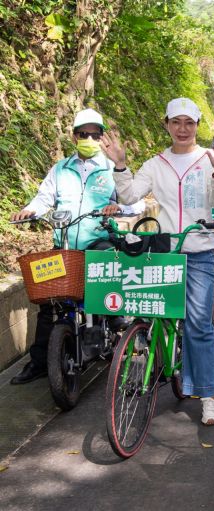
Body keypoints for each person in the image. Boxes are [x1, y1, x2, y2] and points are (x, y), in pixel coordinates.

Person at [102, 98, 214, 426]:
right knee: (154, 315)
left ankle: (208, 396)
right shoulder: (155, 163)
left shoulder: (207, 159)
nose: (183, 129)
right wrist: (119, 165)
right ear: (167, 125)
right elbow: (129, 196)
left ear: (197, 126)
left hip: (199, 250)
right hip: (163, 251)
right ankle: (165, 363)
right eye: (176, 122)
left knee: (199, 324)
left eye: (189, 122)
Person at [10, 109, 127, 385]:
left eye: (95, 134)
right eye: (84, 134)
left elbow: (132, 200)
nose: (89, 138)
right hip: (63, 242)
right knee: (50, 301)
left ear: (101, 138)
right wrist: (28, 211)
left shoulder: (111, 168)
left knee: (104, 278)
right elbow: (43, 198)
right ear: (74, 136)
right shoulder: (61, 169)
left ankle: (113, 321)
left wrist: (117, 207)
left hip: (98, 239)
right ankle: (40, 362)